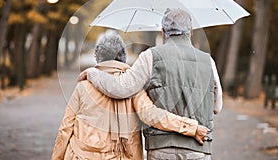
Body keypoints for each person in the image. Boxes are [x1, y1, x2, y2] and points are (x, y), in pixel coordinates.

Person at [82, 9, 223, 160]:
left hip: (161, 147)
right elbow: (216, 107)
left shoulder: (150, 56)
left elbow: (121, 88)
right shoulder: (208, 61)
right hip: (198, 147)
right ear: (191, 31)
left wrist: (93, 73)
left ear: (163, 31)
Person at [51, 31, 209, 160]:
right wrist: (191, 127)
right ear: (123, 56)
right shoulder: (134, 88)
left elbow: (65, 129)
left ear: (97, 57)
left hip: (81, 156)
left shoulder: (83, 87)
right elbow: (153, 116)